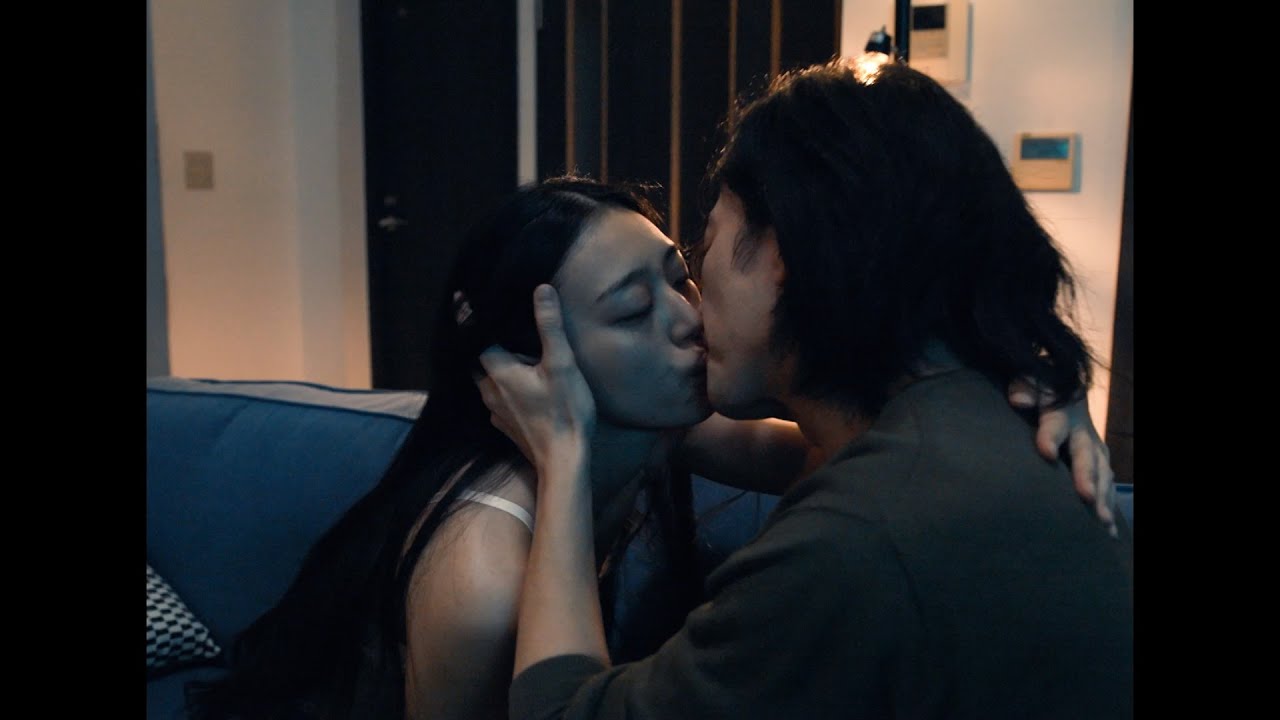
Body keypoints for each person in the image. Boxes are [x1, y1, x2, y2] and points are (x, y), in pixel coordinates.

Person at [184, 172, 1115, 720]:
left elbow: (858, 453)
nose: (687, 320)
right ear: (534, 361)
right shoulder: (482, 574)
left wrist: (1032, 394)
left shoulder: (669, 428)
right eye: (634, 311)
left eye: (681, 277)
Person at [481, 60, 1133, 719]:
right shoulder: (980, 421)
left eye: (700, 251)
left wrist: (562, 453)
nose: (689, 313)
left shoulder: (852, 542)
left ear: (781, 256)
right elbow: (763, 448)